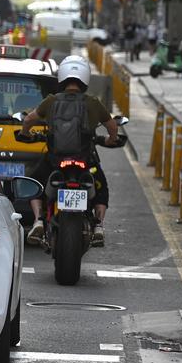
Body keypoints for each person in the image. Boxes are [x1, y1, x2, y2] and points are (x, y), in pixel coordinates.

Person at [20, 55, 119, 248]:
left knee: (35, 183)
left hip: (55, 161)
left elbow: (28, 120)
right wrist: (110, 140)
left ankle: (38, 221)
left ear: (62, 76)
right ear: (85, 78)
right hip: (85, 161)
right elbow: (112, 126)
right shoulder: (93, 103)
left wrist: (25, 134)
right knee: (101, 188)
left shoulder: (51, 101)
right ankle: (98, 226)